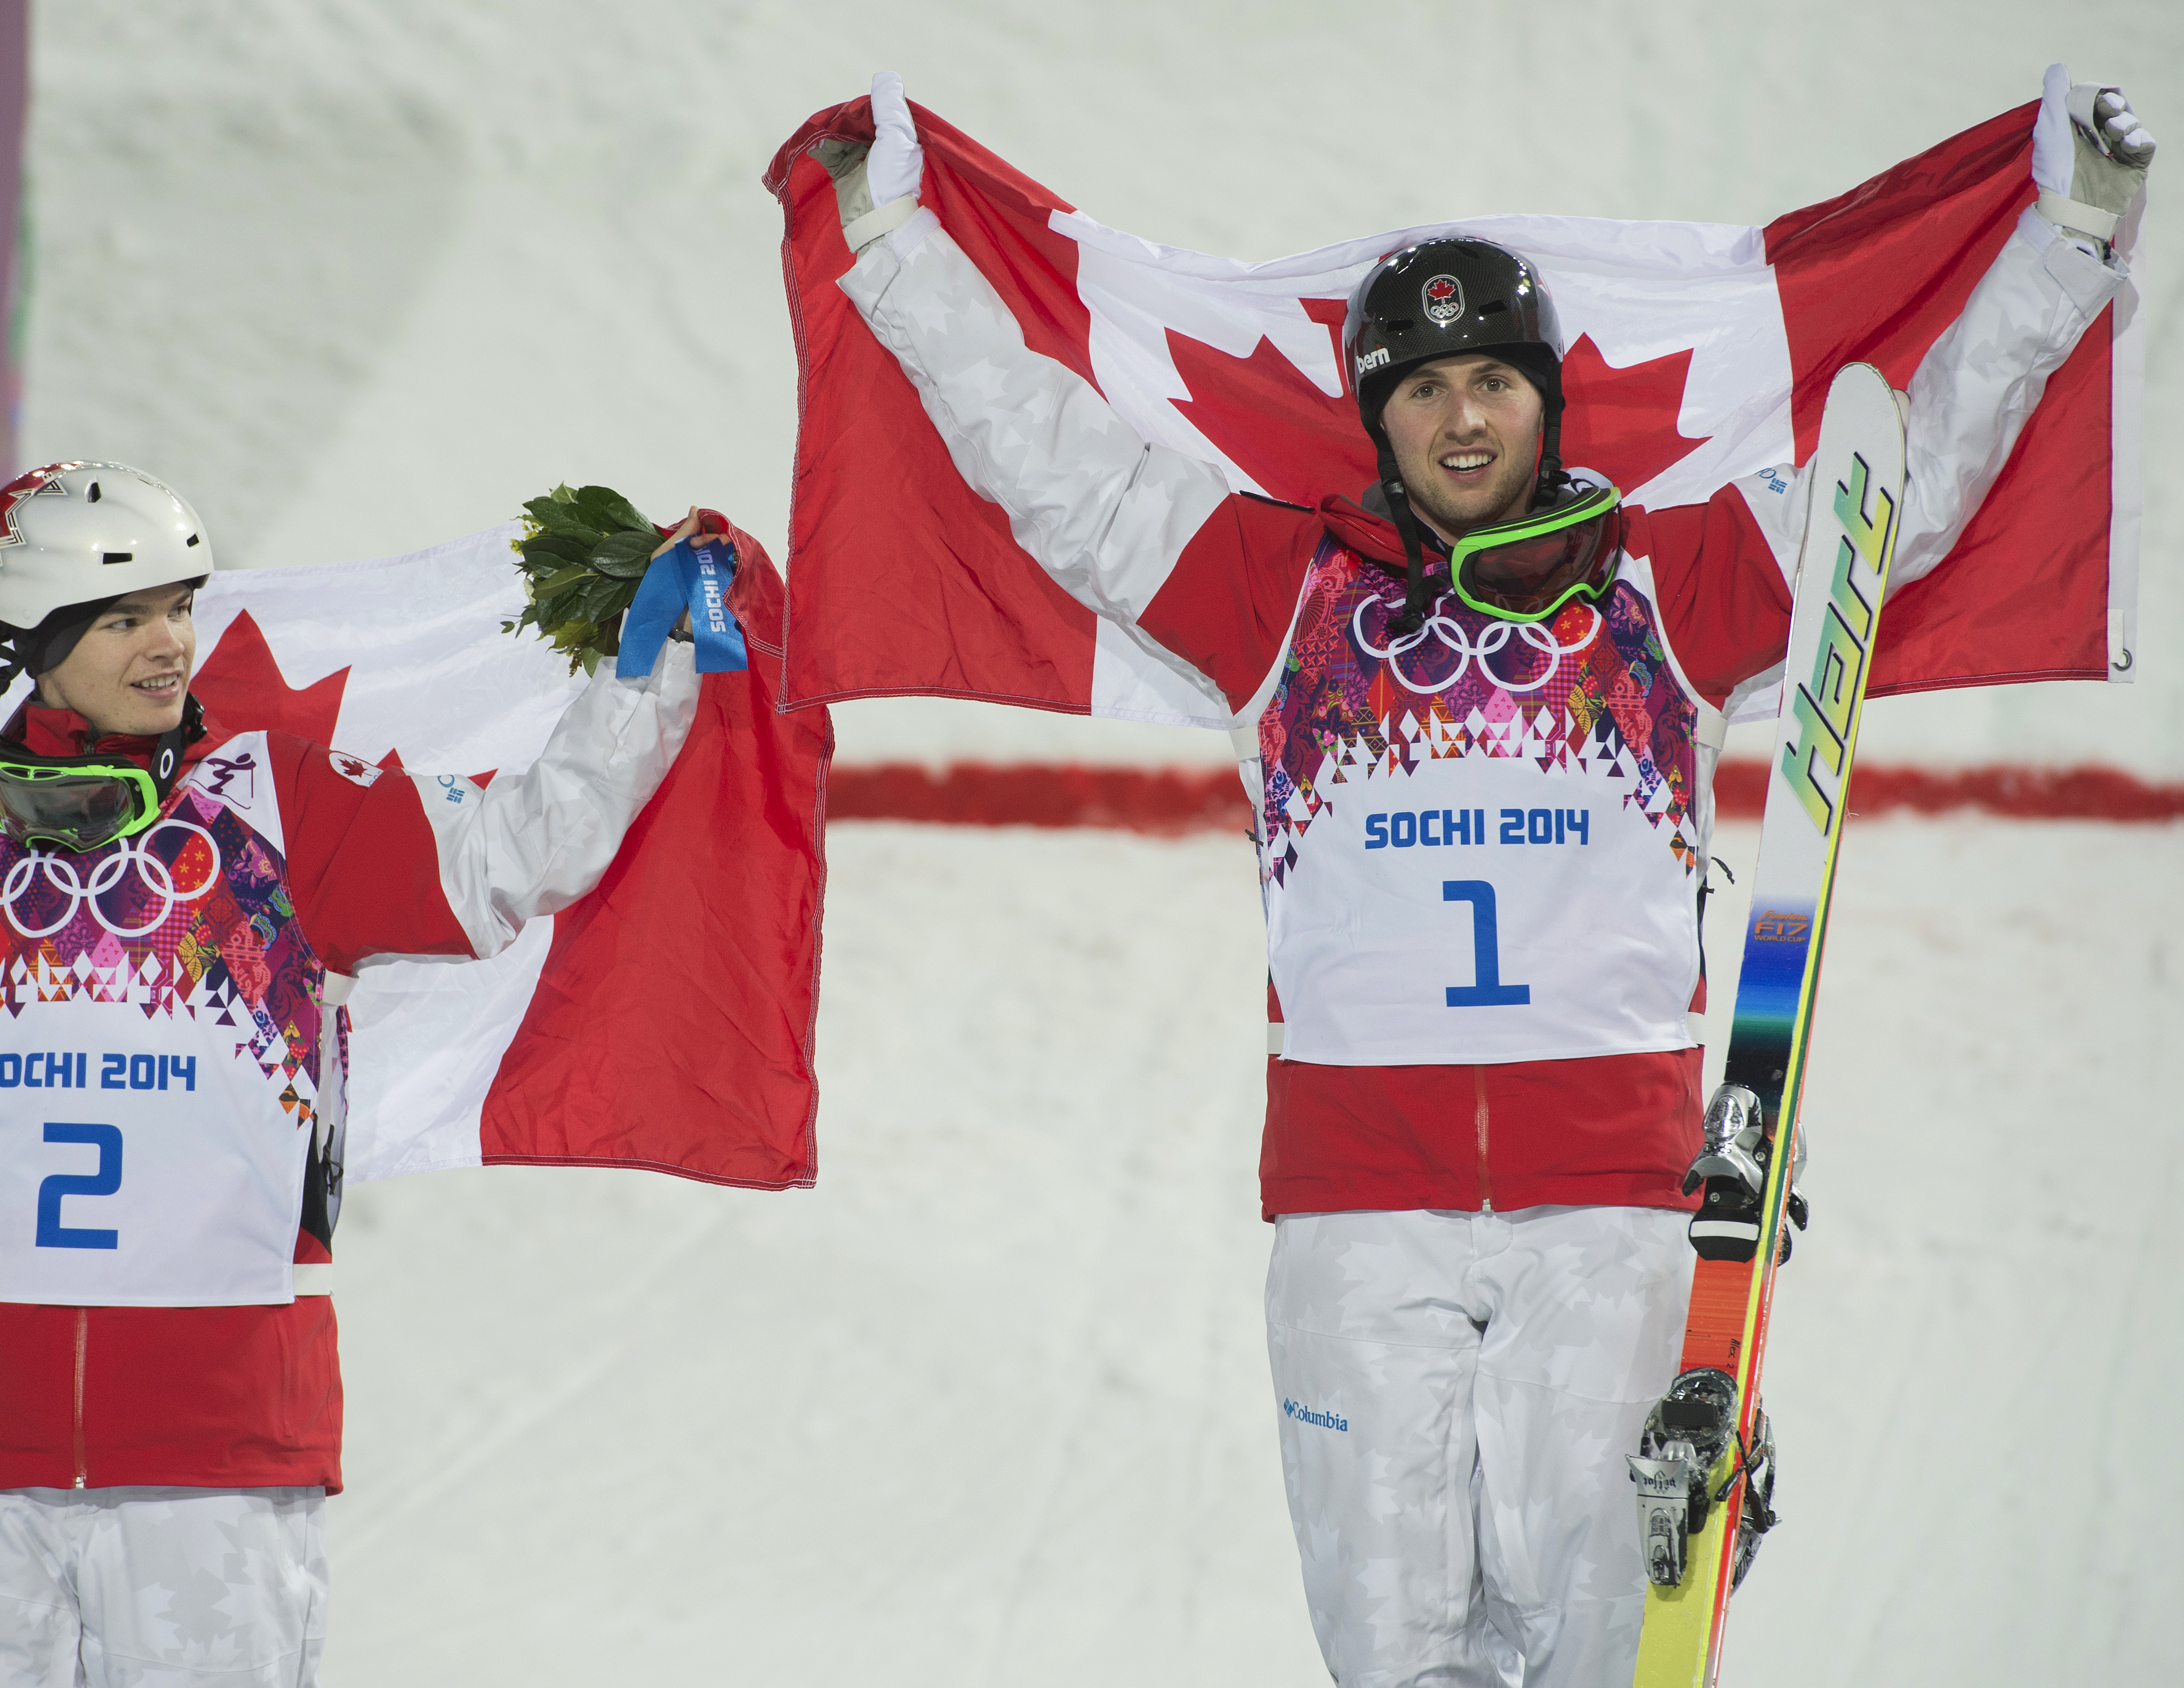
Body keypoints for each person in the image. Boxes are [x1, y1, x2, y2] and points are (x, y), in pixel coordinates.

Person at [815, 73, 2151, 1686]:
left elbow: (1902, 487)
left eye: (1496, 383)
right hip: (1355, 1218)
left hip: (1613, 1205)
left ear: (1548, 402)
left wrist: (2073, 235)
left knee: (1606, 1656)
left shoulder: (1672, 584)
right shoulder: (1277, 596)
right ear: (1375, 415)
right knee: (1396, 1661)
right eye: (1423, 386)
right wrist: (886, 243)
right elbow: (1054, 464)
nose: (1462, 418)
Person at [0, 460, 714, 1683]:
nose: (170, 647)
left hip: (221, 1467)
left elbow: (520, 851)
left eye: (180, 609)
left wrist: (656, 661)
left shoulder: (273, 812)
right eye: (124, 618)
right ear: (36, 635)